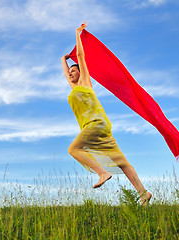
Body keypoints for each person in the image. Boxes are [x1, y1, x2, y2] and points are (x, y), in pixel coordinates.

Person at [61, 22, 152, 206]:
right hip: (100, 126)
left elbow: (80, 56)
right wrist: (63, 60)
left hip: (95, 124)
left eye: (73, 70)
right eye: (69, 72)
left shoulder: (86, 81)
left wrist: (77, 34)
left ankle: (102, 172)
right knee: (122, 162)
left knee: (73, 149)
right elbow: (65, 74)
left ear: (81, 72)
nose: (70, 74)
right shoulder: (74, 87)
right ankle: (143, 193)